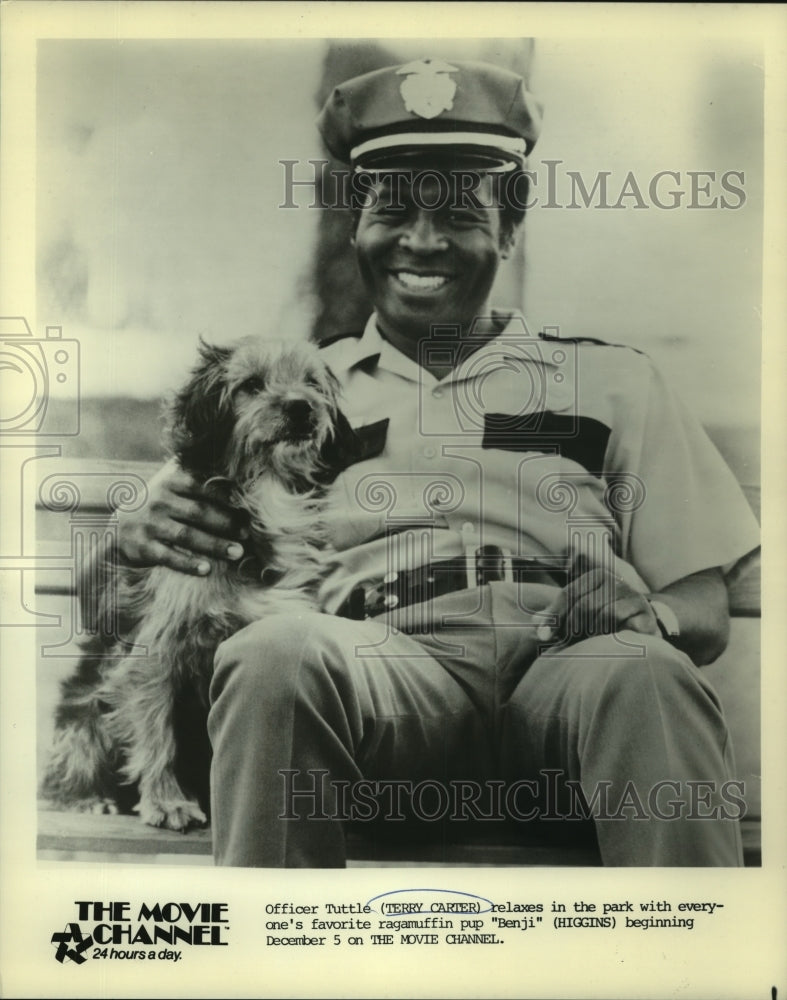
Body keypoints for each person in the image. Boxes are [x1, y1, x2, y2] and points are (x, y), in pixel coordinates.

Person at [106, 58, 760, 866]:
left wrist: (648, 615)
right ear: (356, 227)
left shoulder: (612, 379)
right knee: (273, 651)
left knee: (648, 673)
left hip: (567, 680)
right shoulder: (308, 388)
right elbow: (192, 485)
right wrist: (143, 508)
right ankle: (266, 966)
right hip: (380, 692)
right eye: (392, 210)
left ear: (510, 228)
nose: (421, 240)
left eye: (458, 213)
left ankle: (695, 969)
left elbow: (702, 604)